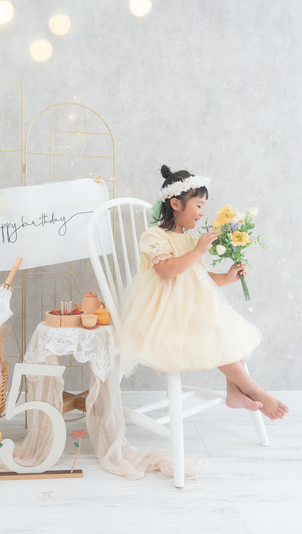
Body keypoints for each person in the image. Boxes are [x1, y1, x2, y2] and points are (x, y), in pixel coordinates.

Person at [118, 165, 288, 420]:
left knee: (228, 329)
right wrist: (198, 251)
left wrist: (227, 277)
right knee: (215, 328)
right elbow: (166, 271)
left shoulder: (189, 240)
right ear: (176, 204)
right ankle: (254, 389)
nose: (202, 212)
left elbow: (198, 277)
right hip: (166, 315)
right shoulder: (154, 236)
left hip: (192, 309)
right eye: (198, 205)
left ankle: (234, 391)